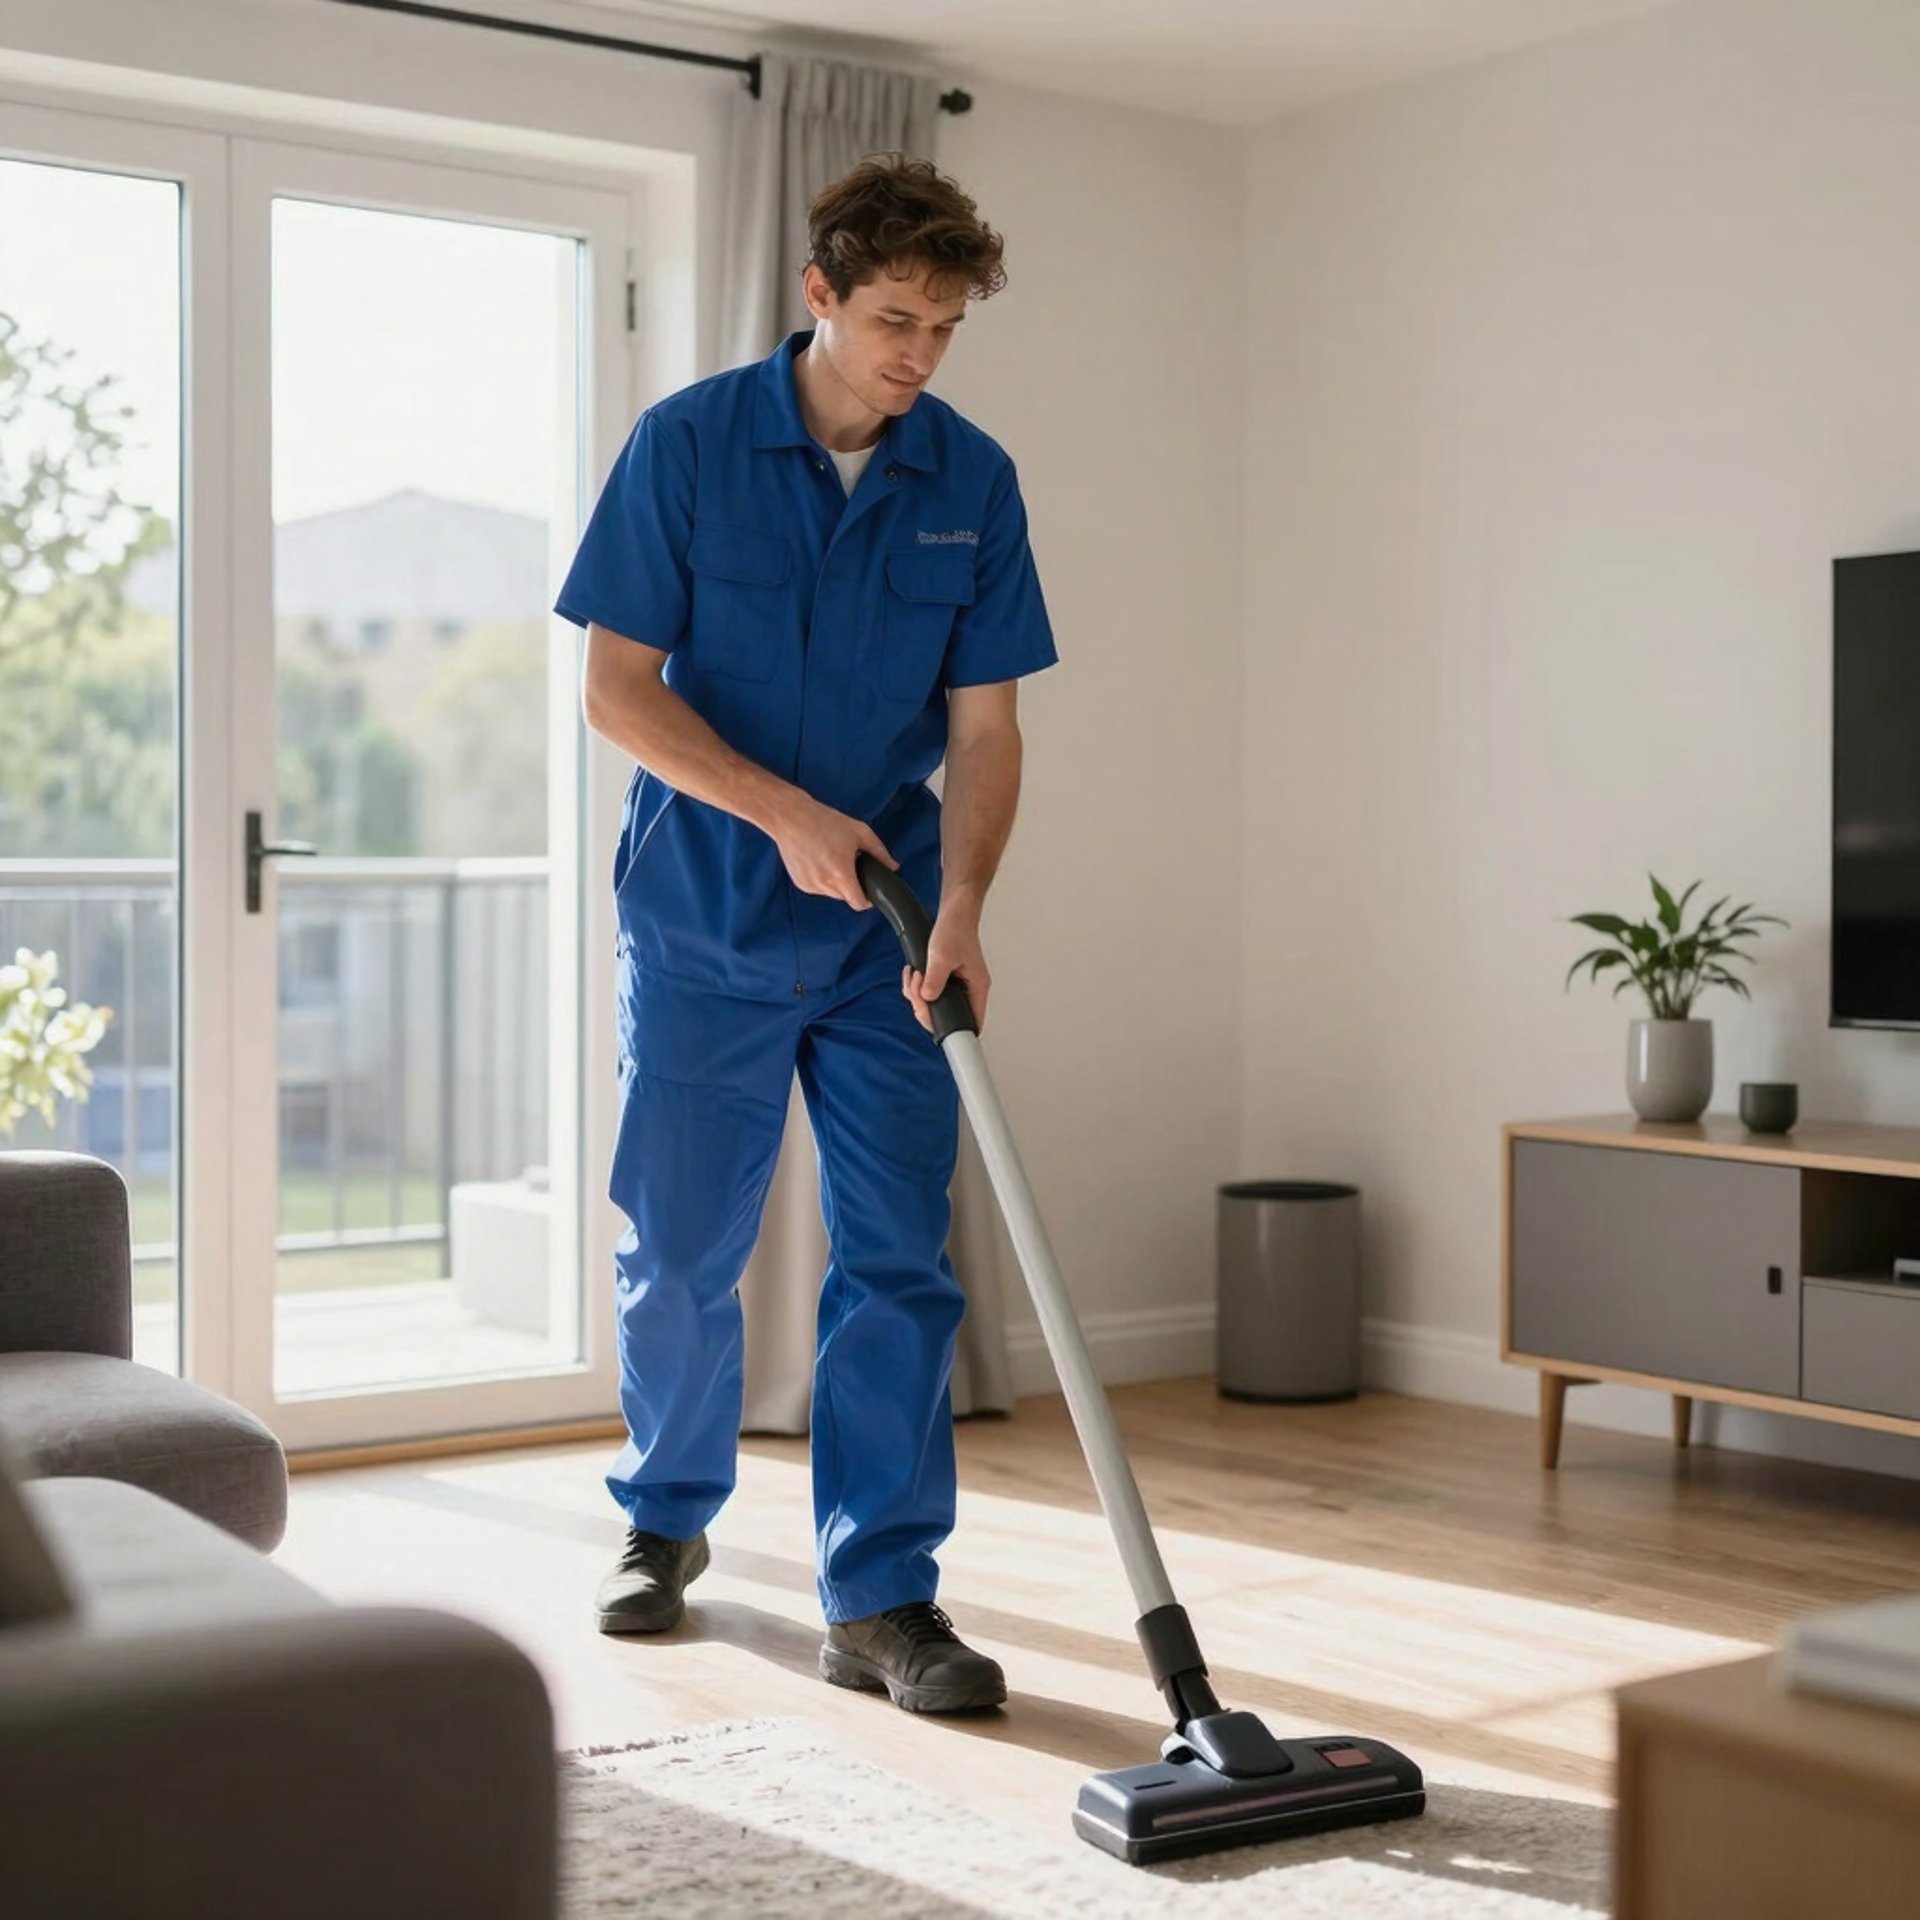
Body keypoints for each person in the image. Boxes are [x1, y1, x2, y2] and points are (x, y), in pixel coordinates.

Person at [553, 153, 1057, 1714]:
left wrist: (964, 900)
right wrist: (777, 813)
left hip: (890, 926)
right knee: (685, 1253)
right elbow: (616, 692)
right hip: (708, 905)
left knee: (900, 1258)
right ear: (819, 295)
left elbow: (984, 733)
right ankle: (662, 1523)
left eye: (946, 330)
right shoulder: (689, 446)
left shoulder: (970, 481)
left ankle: (884, 1597)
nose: (917, 356)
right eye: (894, 319)